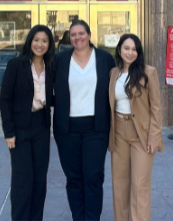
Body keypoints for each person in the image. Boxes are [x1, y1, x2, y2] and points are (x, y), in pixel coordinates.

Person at [52, 19, 117, 221]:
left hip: (96, 129)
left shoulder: (105, 59)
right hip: (67, 128)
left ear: (89, 35)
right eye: (73, 34)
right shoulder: (60, 60)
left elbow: (116, 88)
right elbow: (47, 88)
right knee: (74, 178)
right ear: (69, 38)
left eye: (81, 33)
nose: (77, 37)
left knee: (93, 177)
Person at [0, 25, 56, 221]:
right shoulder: (16, 64)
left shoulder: (51, 66)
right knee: (23, 182)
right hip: (20, 128)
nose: (40, 44)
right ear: (30, 41)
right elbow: (5, 98)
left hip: (41, 125)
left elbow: (54, 95)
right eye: (36, 40)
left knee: (40, 181)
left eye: (45, 41)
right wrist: (9, 132)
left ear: (50, 45)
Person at [108, 34, 164, 221]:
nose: (130, 52)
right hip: (118, 132)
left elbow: (156, 107)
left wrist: (154, 137)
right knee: (120, 184)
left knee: (140, 185)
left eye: (134, 49)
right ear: (119, 50)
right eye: (126, 48)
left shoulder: (149, 72)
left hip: (141, 133)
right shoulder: (113, 73)